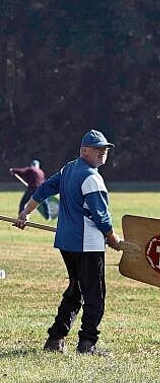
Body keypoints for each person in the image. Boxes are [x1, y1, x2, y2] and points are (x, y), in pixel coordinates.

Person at [14, 130, 125, 355]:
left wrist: (26, 212)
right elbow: (101, 215)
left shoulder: (68, 169)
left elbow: (44, 188)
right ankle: (87, 344)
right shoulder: (92, 177)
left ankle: (55, 339)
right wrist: (113, 239)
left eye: (105, 149)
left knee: (76, 290)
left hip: (67, 243)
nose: (103, 153)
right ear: (84, 150)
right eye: (98, 149)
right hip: (88, 244)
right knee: (95, 294)